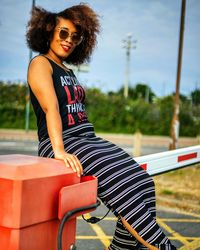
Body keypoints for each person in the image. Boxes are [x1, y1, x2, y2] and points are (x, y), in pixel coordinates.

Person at [26, 3, 177, 250]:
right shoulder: (40, 64)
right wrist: (60, 151)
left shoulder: (67, 70)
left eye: (75, 36)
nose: (69, 40)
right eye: (63, 33)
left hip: (88, 139)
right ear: (49, 31)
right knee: (124, 191)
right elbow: (50, 108)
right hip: (65, 142)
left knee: (143, 182)